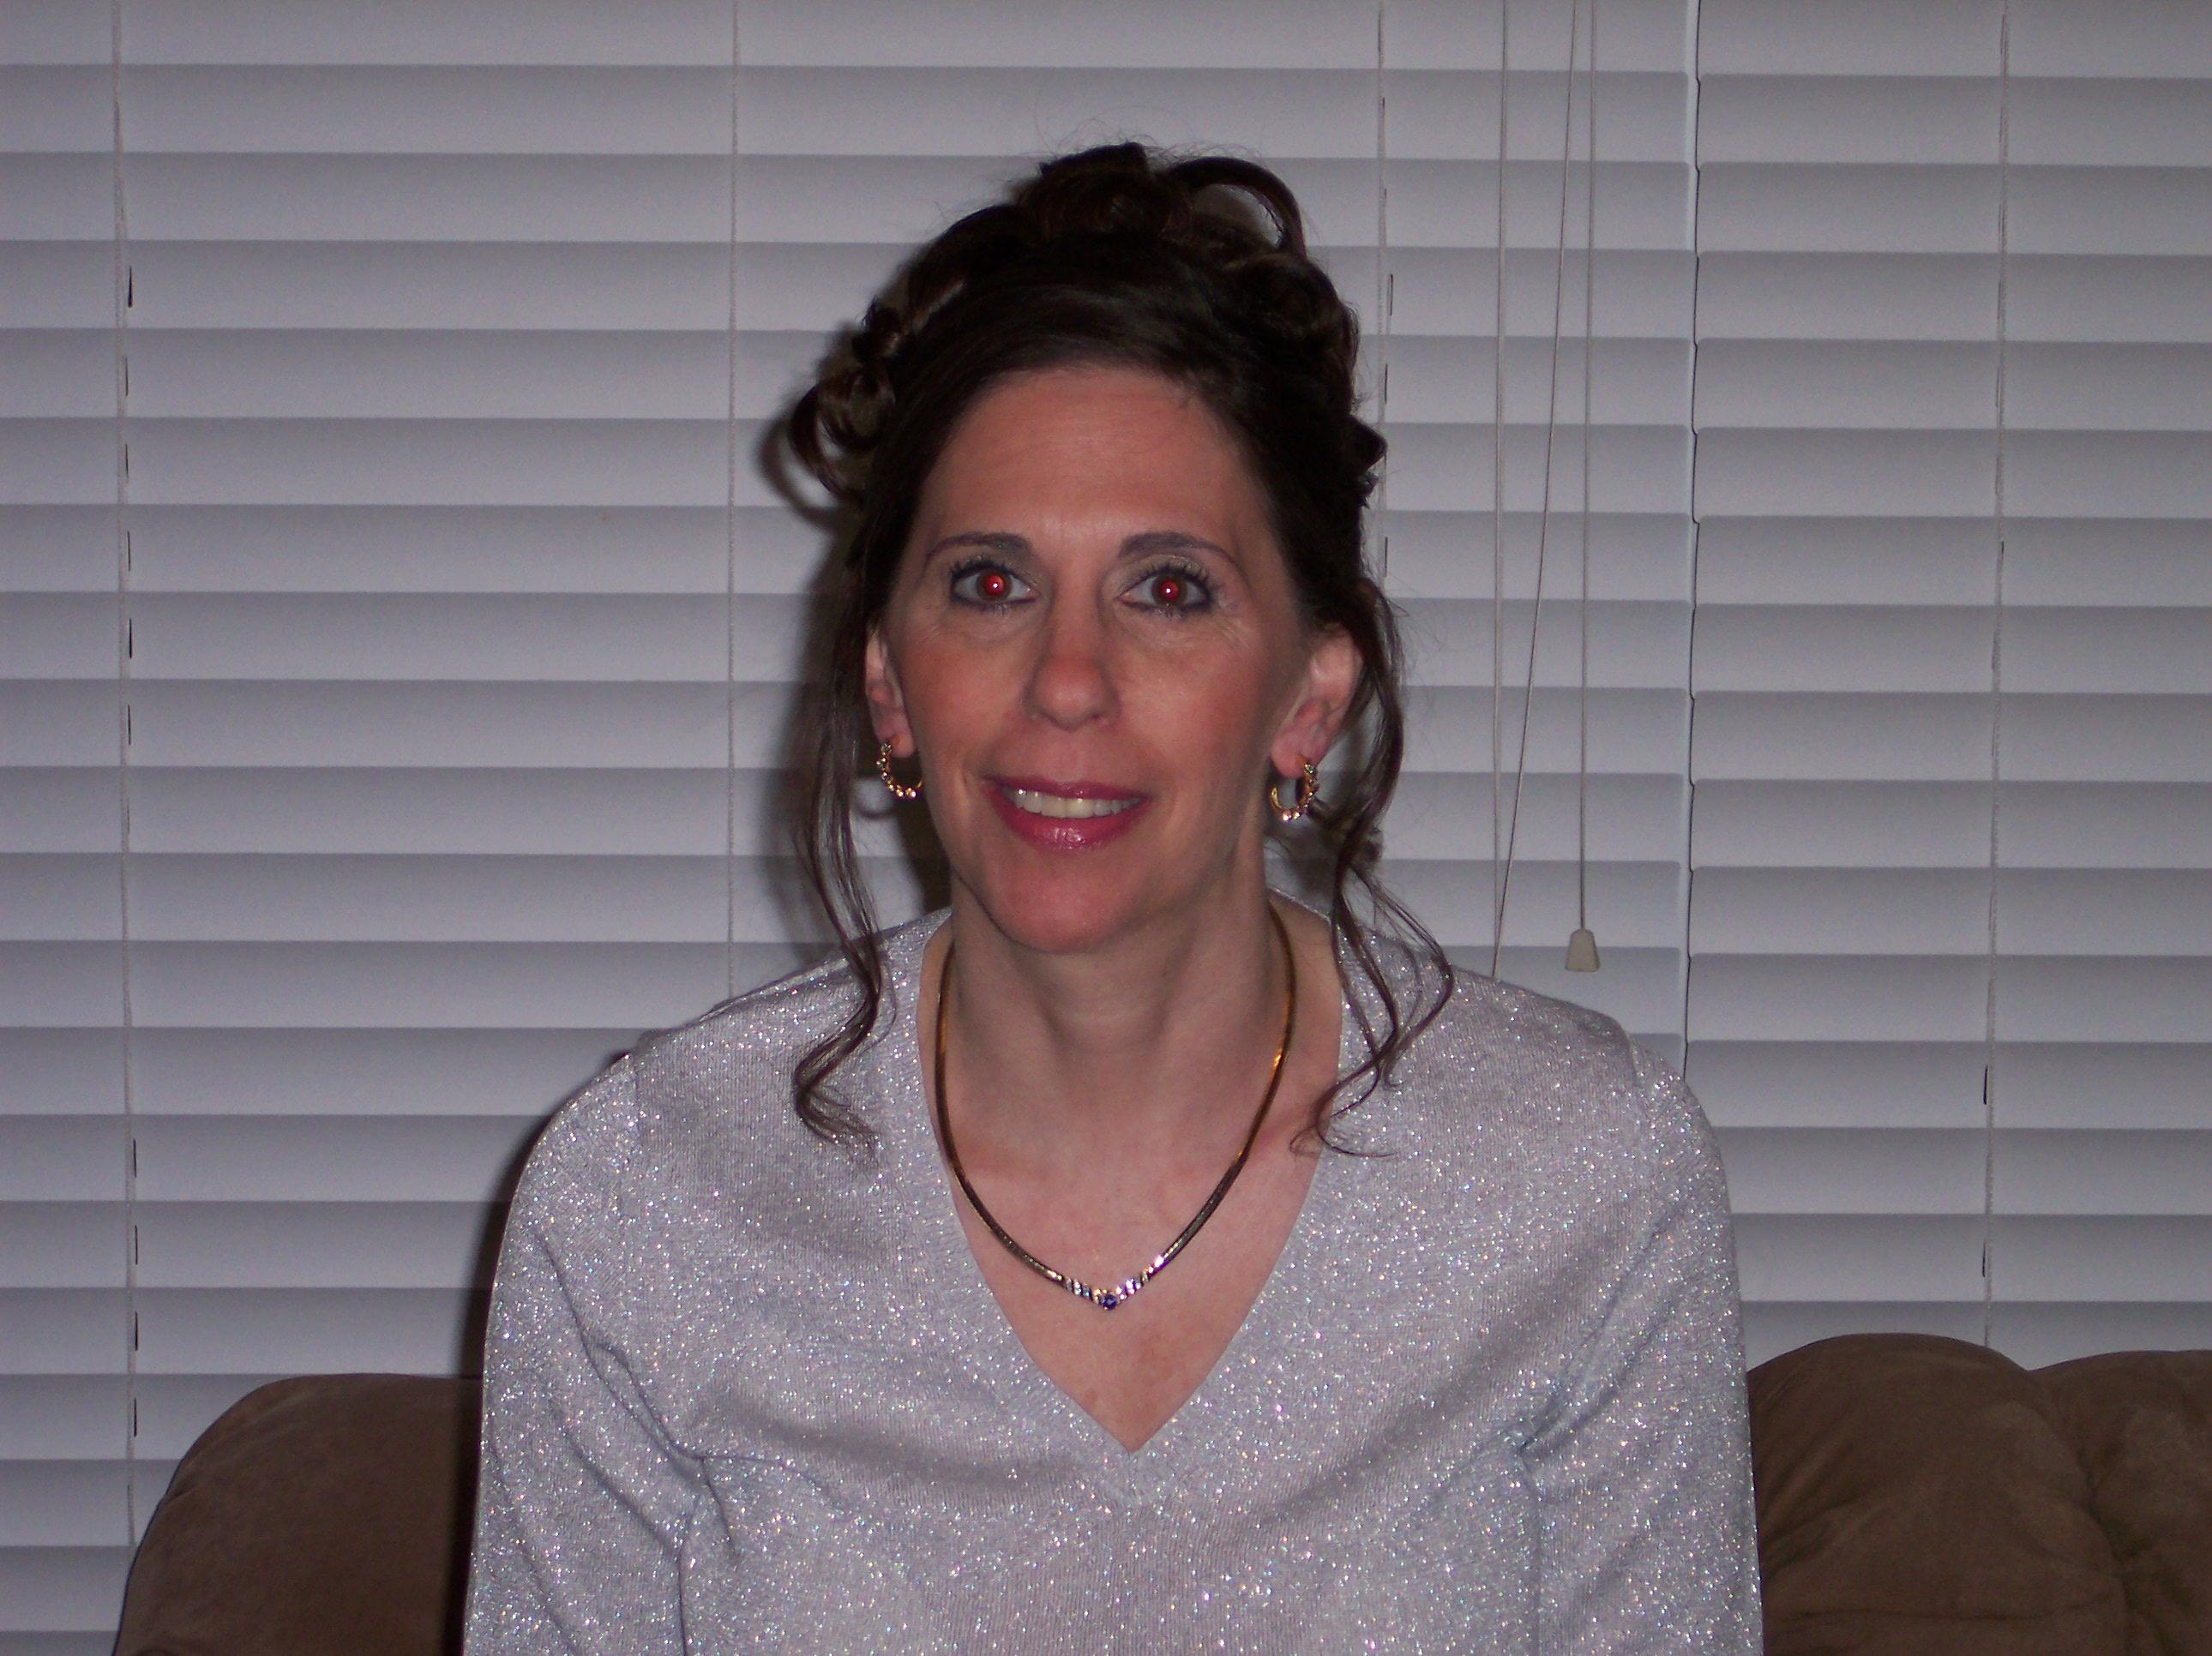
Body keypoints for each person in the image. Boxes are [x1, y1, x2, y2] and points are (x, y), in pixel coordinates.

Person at [462, 141, 1761, 1654]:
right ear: (892, 686)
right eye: (990, 585)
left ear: (1307, 699)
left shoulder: (1584, 1185)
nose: (1067, 684)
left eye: (1170, 590)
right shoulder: (645, 1200)